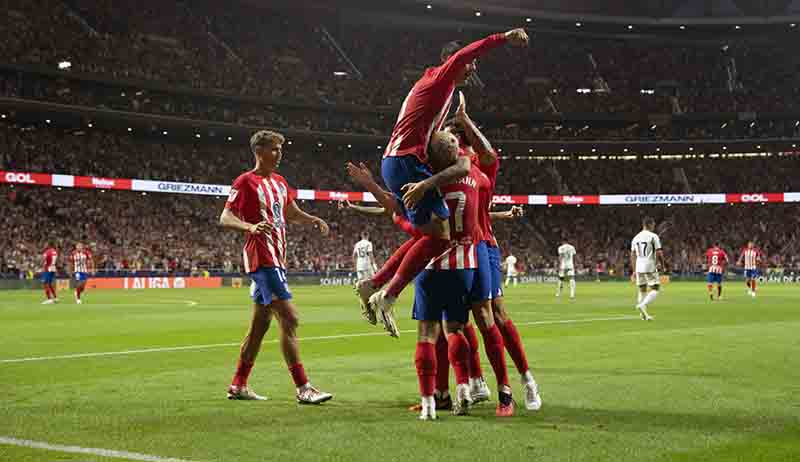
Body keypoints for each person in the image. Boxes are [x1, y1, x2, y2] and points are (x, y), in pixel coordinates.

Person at [359, 28, 530, 338]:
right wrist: (503, 37)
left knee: (429, 234)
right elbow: (467, 54)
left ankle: (376, 285)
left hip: (400, 161)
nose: (473, 67)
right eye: (470, 64)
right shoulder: (441, 78)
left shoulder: (442, 91)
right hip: (406, 161)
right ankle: (388, 294)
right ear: (452, 60)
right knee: (441, 234)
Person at [219, 129, 333, 404]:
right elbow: (225, 216)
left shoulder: (281, 182)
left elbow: (291, 213)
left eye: (280, 149)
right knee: (290, 319)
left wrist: (312, 219)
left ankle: (238, 384)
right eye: (274, 149)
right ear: (259, 152)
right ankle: (303, 387)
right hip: (262, 259)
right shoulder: (245, 182)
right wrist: (250, 226)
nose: (279, 154)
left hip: (278, 259)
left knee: (260, 327)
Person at [445, 93, 541, 414]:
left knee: (493, 315)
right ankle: (475, 382)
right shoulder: (448, 167)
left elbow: (488, 154)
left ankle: (522, 382)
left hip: (483, 245)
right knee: (456, 321)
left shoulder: (479, 168)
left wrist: (465, 119)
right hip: (452, 248)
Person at [630, 217, 665, 321]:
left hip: (639, 266)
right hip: (650, 264)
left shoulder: (635, 238)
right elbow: (659, 252)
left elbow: (632, 255)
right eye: (653, 225)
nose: (654, 227)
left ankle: (644, 315)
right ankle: (642, 304)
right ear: (650, 225)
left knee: (642, 290)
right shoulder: (653, 236)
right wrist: (663, 265)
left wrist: (634, 270)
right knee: (655, 288)